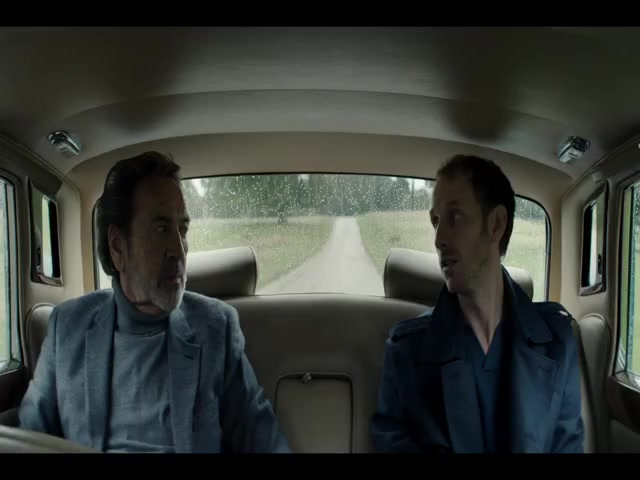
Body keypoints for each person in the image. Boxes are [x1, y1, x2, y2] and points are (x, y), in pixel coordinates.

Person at [18, 152, 291, 453]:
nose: (178, 250)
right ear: (118, 246)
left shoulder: (216, 327)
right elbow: (28, 439)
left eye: (182, 230)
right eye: (161, 229)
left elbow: (263, 442)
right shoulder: (67, 326)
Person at [372, 155, 583, 453]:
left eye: (455, 217)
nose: (439, 238)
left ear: (495, 225)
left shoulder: (558, 344)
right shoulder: (406, 352)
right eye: (436, 221)